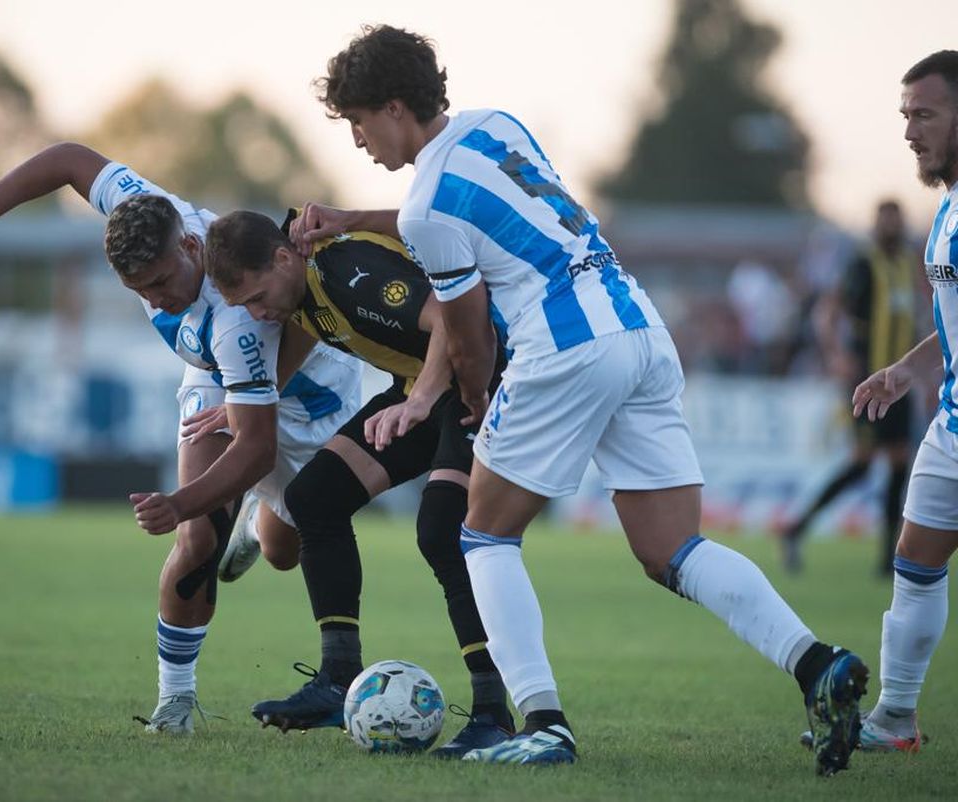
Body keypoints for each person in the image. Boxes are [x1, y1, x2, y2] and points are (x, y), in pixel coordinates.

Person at [299, 25, 868, 774]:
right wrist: (351, 220)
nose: (359, 140)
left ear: (396, 106)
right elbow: (464, 218)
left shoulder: (425, 209)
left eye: (359, 121)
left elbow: (471, 338)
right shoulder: (495, 127)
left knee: (483, 538)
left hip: (563, 348)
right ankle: (814, 663)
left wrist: (463, 402)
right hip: (637, 327)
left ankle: (543, 724)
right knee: (671, 550)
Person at [0, 142, 362, 734]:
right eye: (141, 291)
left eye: (163, 282)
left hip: (312, 400)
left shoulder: (236, 318)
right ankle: (176, 701)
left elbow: (256, 446)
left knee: (283, 550)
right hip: (222, 380)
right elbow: (66, 159)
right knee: (197, 541)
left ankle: (258, 519)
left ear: (191, 247)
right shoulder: (147, 212)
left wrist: (177, 501)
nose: (158, 300)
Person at [200, 208, 513, 756]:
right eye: (243, 306)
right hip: (434, 385)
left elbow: (452, 319)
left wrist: (417, 402)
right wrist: (254, 396)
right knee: (311, 499)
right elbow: (301, 331)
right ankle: (338, 676)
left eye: (256, 296)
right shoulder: (300, 291)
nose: (257, 314)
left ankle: (493, 713)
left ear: (282, 257)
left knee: (442, 530)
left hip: (491, 377)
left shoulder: (345, 271)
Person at [848, 49, 958, 753]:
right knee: (914, 565)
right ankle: (894, 718)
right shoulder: (947, 209)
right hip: (952, 423)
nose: (911, 130)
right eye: (906, 115)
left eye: (925, 114)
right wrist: (906, 369)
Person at [783, 200, 920, 576]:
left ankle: (886, 561)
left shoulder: (908, 264)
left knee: (898, 464)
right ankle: (796, 528)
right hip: (867, 378)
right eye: (886, 221)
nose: (892, 227)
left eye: (896, 220)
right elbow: (828, 310)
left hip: (900, 384)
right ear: (877, 225)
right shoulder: (862, 263)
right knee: (862, 463)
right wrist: (836, 355)